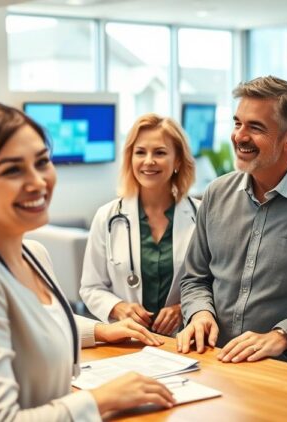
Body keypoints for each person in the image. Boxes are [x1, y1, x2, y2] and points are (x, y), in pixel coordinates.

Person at [0, 98, 175, 421]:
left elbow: (32, 325)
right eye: (12, 170)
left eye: (41, 162)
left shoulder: (32, 254)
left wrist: (102, 332)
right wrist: (100, 400)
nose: (38, 182)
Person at [176, 76, 287, 366]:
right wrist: (200, 313)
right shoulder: (216, 193)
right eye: (238, 123)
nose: (240, 136)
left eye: (256, 127)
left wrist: (282, 336)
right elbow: (195, 277)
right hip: (206, 360)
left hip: (278, 370)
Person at [80, 114, 199, 336]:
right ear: (130, 159)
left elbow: (217, 284)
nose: (149, 161)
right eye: (140, 152)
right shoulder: (107, 216)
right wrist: (118, 307)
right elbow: (91, 287)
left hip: (185, 339)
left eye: (160, 152)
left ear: (178, 160)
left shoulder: (201, 215)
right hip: (128, 340)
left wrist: (184, 309)